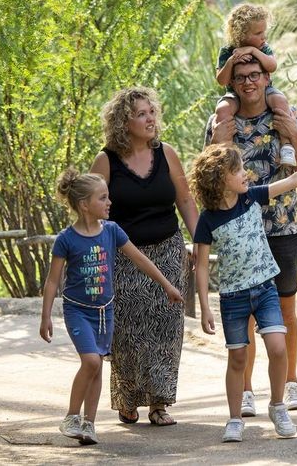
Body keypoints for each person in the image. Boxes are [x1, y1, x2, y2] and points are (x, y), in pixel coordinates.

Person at [189, 142, 297, 442]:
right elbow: (200, 266)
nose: (246, 174)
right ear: (220, 178)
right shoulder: (208, 218)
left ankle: (278, 406)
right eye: (238, 169)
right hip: (232, 297)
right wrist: (205, 306)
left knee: (278, 348)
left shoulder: (251, 198)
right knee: (238, 358)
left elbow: (293, 180)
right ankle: (234, 418)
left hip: (265, 288)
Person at [40, 168, 183, 446]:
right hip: (78, 310)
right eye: (103, 198)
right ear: (84, 205)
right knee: (91, 361)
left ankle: (89, 424)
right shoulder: (66, 240)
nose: (110, 203)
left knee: (97, 368)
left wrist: (167, 285)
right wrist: (46, 316)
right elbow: (52, 281)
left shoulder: (113, 231)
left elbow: (141, 260)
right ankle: (72, 416)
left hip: (105, 312)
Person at [208, 57, 297, 417]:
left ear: (266, 77)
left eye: (255, 75)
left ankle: (291, 382)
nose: (248, 82)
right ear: (233, 83)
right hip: (238, 233)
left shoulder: (287, 114)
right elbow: (205, 176)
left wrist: (295, 134)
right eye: (241, 77)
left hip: (281, 225)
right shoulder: (221, 120)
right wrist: (216, 143)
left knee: (285, 308)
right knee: (247, 316)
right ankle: (248, 391)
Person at [89, 87, 199, 427]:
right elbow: (92, 210)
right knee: (129, 332)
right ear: (124, 121)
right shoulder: (106, 160)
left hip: (167, 250)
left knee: (166, 328)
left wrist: (201, 242)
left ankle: (159, 403)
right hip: (123, 255)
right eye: (141, 114)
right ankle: (127, 400)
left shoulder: (167, 153)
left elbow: (185, 201)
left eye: (152, 112)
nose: (150, 119)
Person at [213, 3, 297, 167]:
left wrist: (253, 52)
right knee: (222, 109)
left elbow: (272, 66)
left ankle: (287, 147)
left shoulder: (263, 48)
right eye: (258, 33)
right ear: (241, 34)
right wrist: (232, 61)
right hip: (236, 93)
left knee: (281, 102)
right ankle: (226, 152)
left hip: (264, 91)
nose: (263, 37)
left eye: (264, 32)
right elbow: (222, 80)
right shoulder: (227, 51)